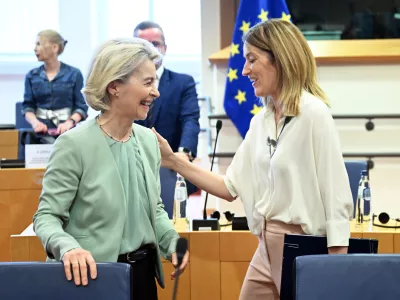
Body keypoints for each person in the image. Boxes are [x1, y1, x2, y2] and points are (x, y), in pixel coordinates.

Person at [152, 19, 353, 299]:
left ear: (279, 59)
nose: (245, 70)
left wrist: (336, 266)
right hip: (265, 246)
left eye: (251, 60)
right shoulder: (261, 121)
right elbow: (229, 187)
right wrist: (174, 161)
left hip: (303, 249)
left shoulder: (314, 114)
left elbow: (336, 196)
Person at [33, 37, 189, 300]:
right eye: (148, 82)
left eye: (155, 82)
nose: (156, 92)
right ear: (115, 86)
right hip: (92, 278)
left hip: (143, 278)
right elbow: (46, 218)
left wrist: (171, 241)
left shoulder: (149, 140)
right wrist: (68, 248)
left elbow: (154, 209)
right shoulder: (73, 144)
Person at [133, 21, 200, 218]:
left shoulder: (183, 82)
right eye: (143, 45)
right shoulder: (124, 84)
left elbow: (190, 119)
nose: (151, 50)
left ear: (165, 48)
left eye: (155, 44)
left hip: (170, 168)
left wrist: (184, 153)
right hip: (134, 168)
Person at [22, 29, 88, 143]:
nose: (35, 49)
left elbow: (81, 106)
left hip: (67, 133)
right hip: (39, 135)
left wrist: (69, 122)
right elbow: (27, 107)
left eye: (39, 44)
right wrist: (35, 123)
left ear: (54, 47)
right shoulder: (31, 76)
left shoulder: (74, 74)